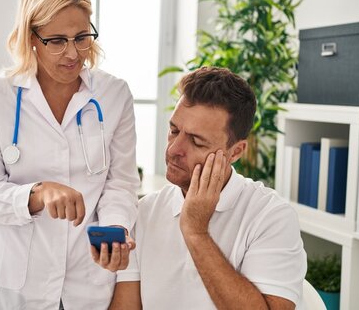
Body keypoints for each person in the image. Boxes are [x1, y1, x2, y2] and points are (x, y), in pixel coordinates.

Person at [0, 0, 139, 310]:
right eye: (57, 40)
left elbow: (120, 184)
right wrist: (36, 194)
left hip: (86, 279)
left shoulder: (114, 95)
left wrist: (115, 232)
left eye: (82, 37)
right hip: (16, 284)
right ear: (32, 36)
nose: (73, 53)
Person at [108, 67, 307, 309]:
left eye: (196, 141)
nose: (173, 150)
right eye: (173, 131)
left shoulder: (271, 216)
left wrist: (196, 232)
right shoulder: (144, 211)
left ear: (235, 152)